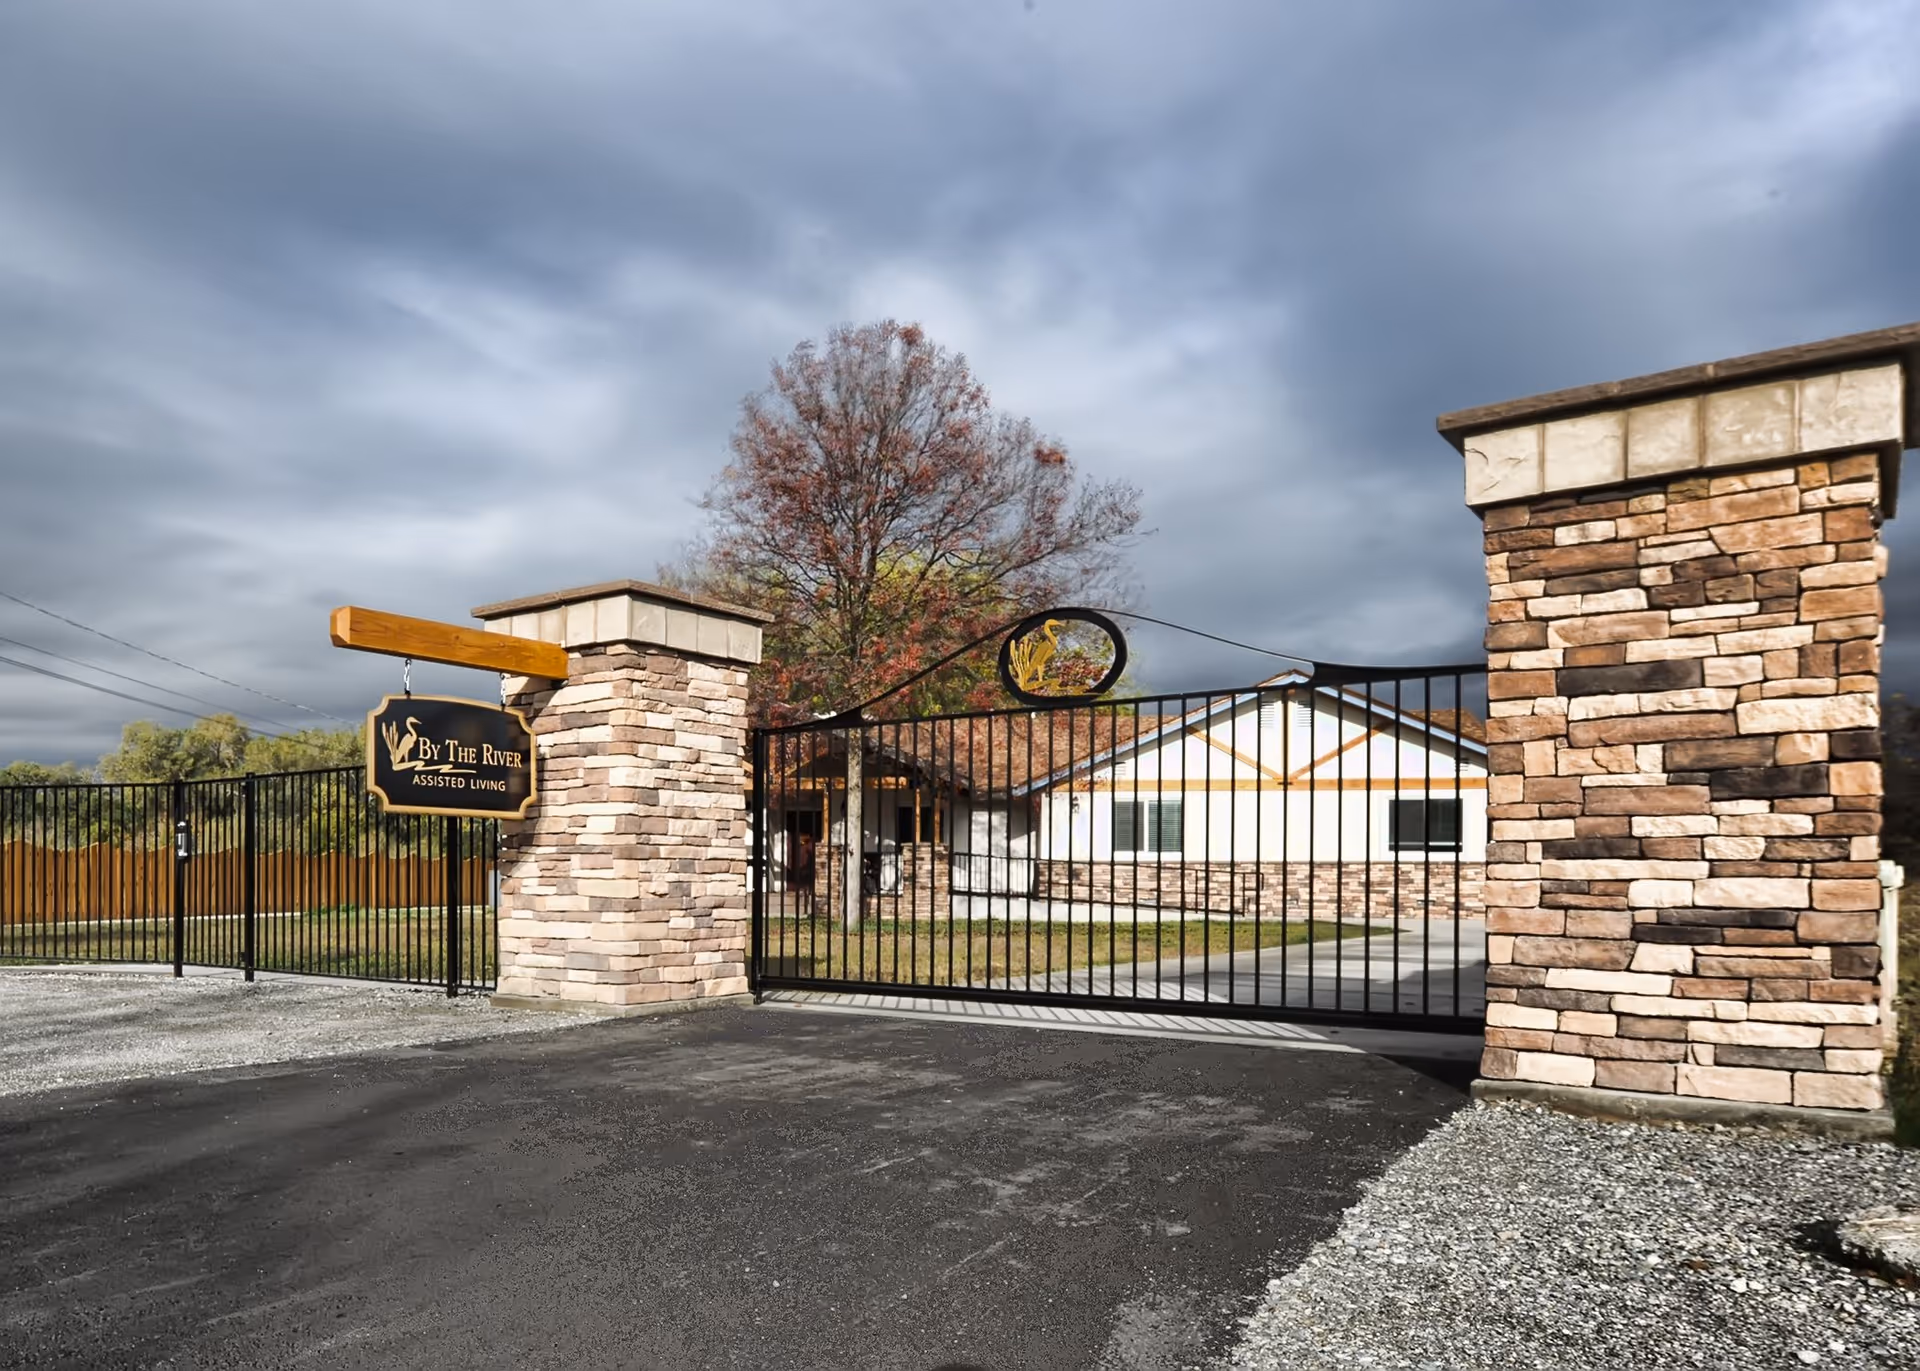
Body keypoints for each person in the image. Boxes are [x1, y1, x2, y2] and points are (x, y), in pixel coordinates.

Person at [789, 830, 817, 917]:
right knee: (805, 892)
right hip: (804, 872)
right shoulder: (803, 846)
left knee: (808, 891)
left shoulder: (809, 846)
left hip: (808, 872)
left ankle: (808, 909)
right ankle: (805, 909)